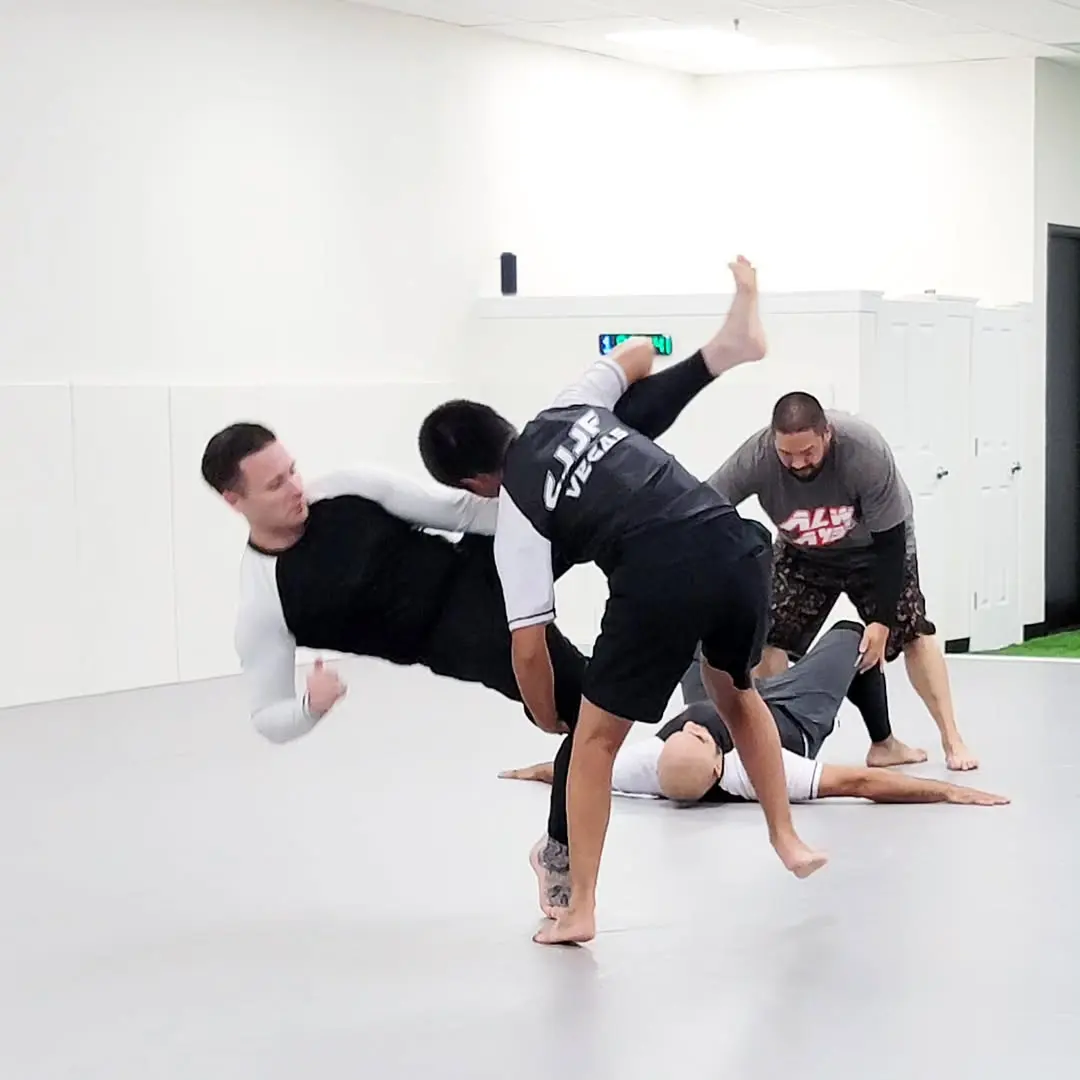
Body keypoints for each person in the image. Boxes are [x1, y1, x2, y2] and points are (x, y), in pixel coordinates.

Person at [419, 257, 827, 947]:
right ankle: (786, 837)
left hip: (659, 579)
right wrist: (652, 353)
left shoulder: (517, 515)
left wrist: (549, 715)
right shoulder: (567, 405)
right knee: (738, 695)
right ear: (502, 422)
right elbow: (634, 352)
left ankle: (579, 907)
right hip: (734, 545)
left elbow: (528, 647)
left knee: (595, 746)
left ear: (474, 481)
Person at [200, 336, 724, 744]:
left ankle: (715, 357)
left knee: (573, 450)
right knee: (590, 710)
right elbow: (267, 717)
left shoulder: (341, 488)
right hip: (461, 638)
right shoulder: (264, 603)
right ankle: (688, 752)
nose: (296, 487)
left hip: (473, 564)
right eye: (275, 484)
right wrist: (310, 706)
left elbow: (456, 511)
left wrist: (544, 496)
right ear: (234, 500)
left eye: (291, 470)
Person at [499, 621, 1008, 917]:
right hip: (790, 711)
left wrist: (529, 770)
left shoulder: (647, 767)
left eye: (684, 733)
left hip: (734, 698)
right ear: (720, 765)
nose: (689, 731)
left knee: (695, 634)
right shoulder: (759, 773)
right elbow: (860, 783)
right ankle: (884, 739)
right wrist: (949, 793)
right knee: (853, 638)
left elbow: (580, 767)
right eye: (697, 736)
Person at [707, 392, 978, 772]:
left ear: (827, 434)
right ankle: (773, 745)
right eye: (787, 454)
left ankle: (951, 738)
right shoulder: (756, 457)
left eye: (807, 452)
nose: (798, 463)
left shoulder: (863, 450)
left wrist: (882, 621)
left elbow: (891, 542)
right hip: (803, 552)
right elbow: (707, 505)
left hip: (874, 550)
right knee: (769, 637)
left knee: (914, 631)